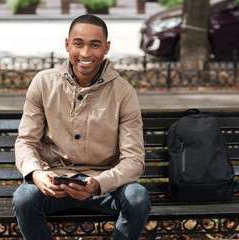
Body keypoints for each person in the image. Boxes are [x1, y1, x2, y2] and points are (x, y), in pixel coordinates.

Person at [12, 14, 151, 240]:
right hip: (55, 184)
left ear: (106, 48)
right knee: (24, 197)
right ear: (67, 44)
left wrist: (99, 183)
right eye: (78, 43)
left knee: (137, 197)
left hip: (105, 186)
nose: (85, 53)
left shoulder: (124, 93)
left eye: (94, 45)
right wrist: (37, 173)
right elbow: (27, 141)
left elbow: (134, 160)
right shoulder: (43, 83)